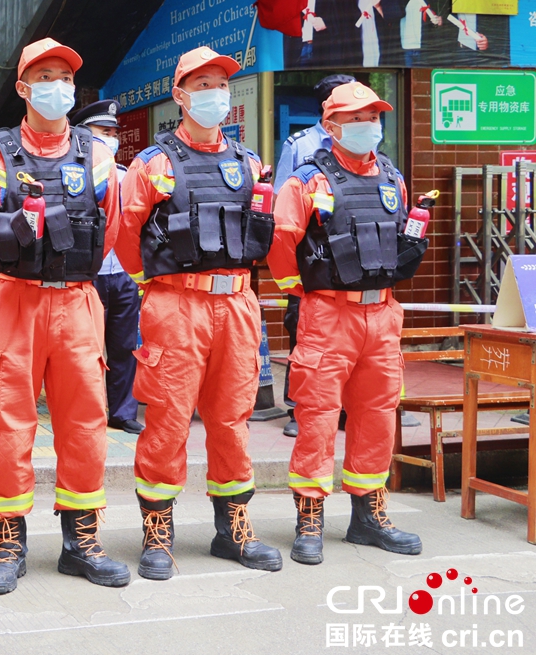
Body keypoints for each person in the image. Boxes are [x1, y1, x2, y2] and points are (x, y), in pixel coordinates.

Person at [0, 37, 129, 595]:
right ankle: (9, 540)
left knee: (84, 423)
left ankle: (82, 541)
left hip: (79, 301)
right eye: (45, 75)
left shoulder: (99, 155)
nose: (58, 86)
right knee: (12, 423)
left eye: (65, 76)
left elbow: (116, 228)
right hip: (17, 300)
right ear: (23, 87)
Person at [115, 46, 282, 580]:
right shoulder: (154, 163)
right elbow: (124, 235)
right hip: (176, 306)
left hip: (236, 303)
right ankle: (157, 534)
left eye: (222, 85)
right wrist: (157, 285)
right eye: (203, 85)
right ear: (181, 95)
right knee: (166, 419)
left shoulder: (250, 163)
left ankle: (233, 529)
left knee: (233, 420)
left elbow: (264, 228)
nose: (215, 94)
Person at [268, 81, 427, 566]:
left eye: (374, 117)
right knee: (316, 415)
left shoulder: (393, 178)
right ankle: (310, 516)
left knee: (377, 414)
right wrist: (304, 293)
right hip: (328, 314)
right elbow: (281, 243)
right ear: (331, 126)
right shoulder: (306, 182)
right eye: (357, 119)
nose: (368, 127)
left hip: (382, 313)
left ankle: (369, 515)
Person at [274, 74, 356, 439]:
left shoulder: (365, 148)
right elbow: (282, 203)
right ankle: (298, 407)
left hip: (353, 255)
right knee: (302, 333)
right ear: (327, 107)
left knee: (351, 339)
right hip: (313, 256)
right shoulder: (301, 144)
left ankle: (344, 407)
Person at [70, 99, 142, 435]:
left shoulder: (128, 176)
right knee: (83, 346)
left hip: (124, 275)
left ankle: (122, 411)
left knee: (124, 345)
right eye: (103, 132)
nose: (111, 139)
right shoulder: (73, 175)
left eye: (113, 133)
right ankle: (86, 407)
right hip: (88, 273)